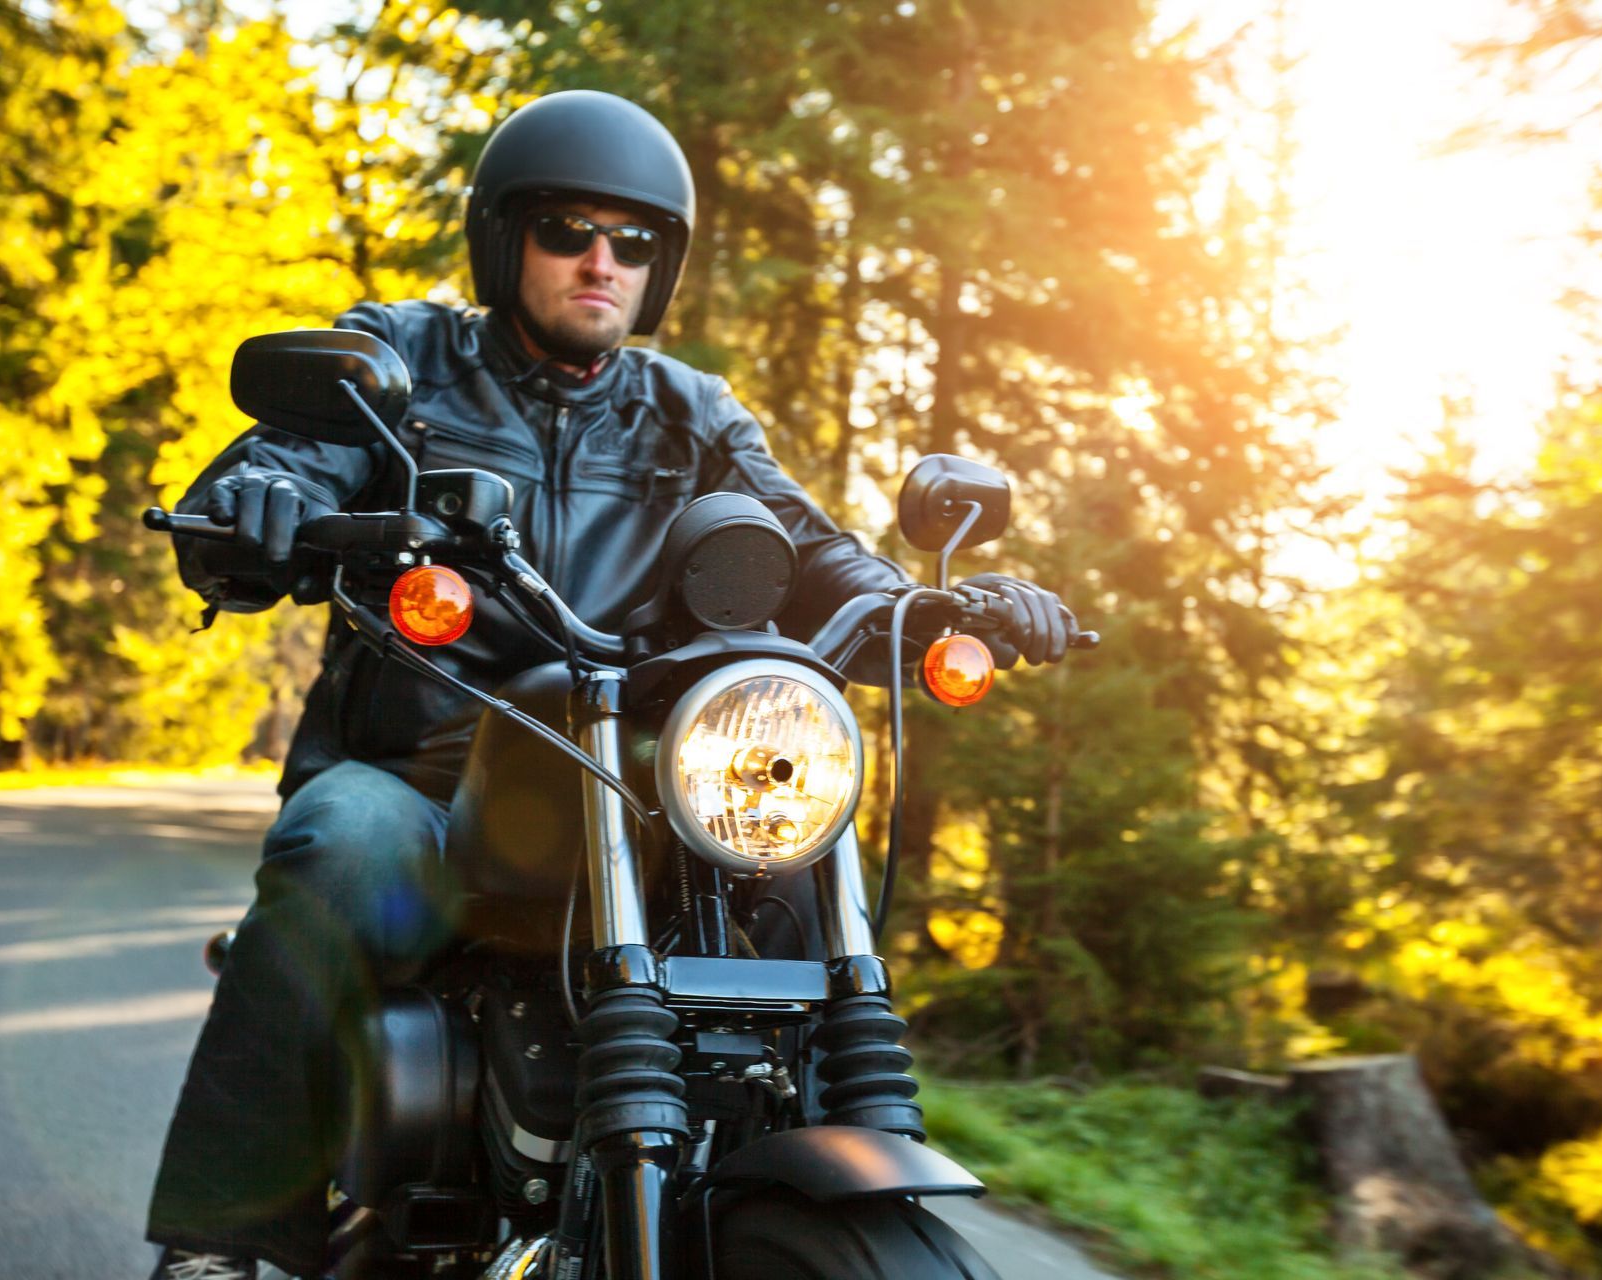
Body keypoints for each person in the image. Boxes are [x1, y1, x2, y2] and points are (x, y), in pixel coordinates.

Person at [144, 90, 1073, 1280]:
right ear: (504, 240)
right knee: (336, 847)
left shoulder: (693, 412)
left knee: (781, 883)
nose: (600, 259)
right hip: (428, 776)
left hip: (634, 782)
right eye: (568, 229)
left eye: (633, 240)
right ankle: (219, 1244)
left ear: (662, 264)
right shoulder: (404, 361)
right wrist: (253, 505)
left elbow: (809, 546)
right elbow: (288, 455)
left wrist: (929, 601)